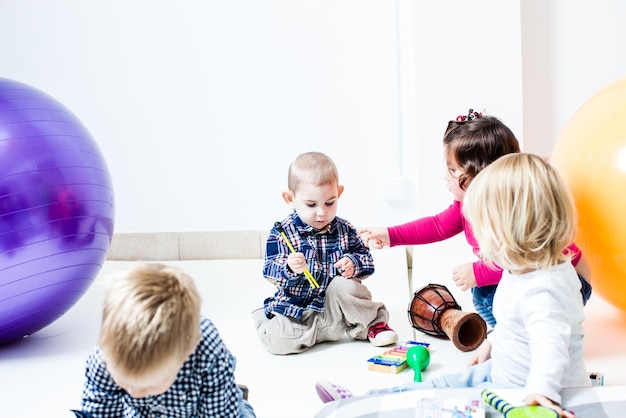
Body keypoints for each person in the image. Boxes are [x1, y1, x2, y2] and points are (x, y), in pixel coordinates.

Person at [317, 153, 590, 418]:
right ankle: (364, 402)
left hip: (526, 393)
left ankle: (370, 409)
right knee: (441, 384)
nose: (478, 243)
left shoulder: (544, 288)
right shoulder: (523, 267)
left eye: (483, 231)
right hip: (506, 370)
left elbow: (550, 344)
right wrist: (493, 343)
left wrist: (541, 393)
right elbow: (516, 324)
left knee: (440, 402)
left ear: (512, 232)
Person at [359, 110, 592, 327]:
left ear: (481, 175)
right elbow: (437, 225)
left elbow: (529, 260)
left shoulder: (514, 212)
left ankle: (523, 338)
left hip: (563, 284)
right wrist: (390, 235)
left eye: (453, 170)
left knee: (484, 293)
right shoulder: (466, 206)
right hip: (531, 282)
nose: (446, 177)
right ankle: (513, 337)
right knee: (484, 293)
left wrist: (479, 272)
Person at [253, 151, 397, 355]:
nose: (322, 212)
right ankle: (263, 319)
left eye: (330, 202)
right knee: (276, 341)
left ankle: (374, 325)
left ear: (339, 193)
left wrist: (353, 262)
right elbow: (269, 270)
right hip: (300, 312)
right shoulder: (282, 232)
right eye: (311, 204)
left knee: (343, 286)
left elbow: (367, 261)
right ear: (290, 199)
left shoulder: (345, 229)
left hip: (337, 311)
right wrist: (288, 267)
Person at [72, 263, 256, 418]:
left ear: (186, 352)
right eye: (125, 382)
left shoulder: (206, 349)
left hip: (205, 409)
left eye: (149, 385)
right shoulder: (104, 358)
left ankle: (235, 394)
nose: (134, 393)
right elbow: (100, 411)